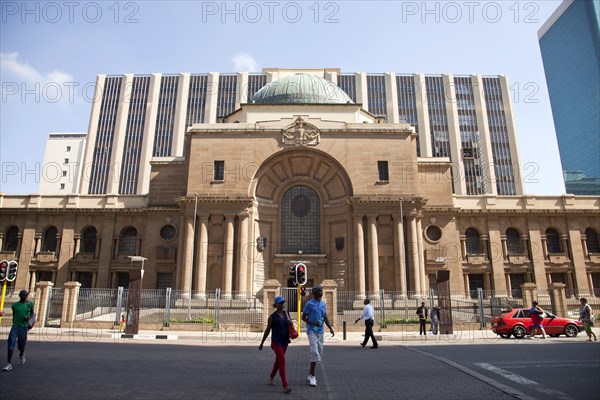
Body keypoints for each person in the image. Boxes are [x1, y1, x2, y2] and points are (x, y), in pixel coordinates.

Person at [259, 296, 293, 394]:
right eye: (280, 303)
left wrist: (291, 323)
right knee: (282, 362)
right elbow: (267, 330)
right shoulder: (272, 317)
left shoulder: (286, 314)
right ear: (276, 305)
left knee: (278, 362)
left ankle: (271, 378)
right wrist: (262, 343)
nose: (282, 304)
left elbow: (290, 325)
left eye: (283, 303)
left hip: (285, 341)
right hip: (276, 342)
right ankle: (285, 386)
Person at [302, 285, 334, 387]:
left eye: (322, 290)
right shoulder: (309, 304)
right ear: (315, 293)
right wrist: (312, 323)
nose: (322, 292)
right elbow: (303, 317)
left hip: (320, 331)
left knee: (319, 353)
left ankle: (310, 374)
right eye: (320, 290)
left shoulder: (323, 304)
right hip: (311, 330)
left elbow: (325, 316)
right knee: (314, 352)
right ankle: (312, 376)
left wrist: (330, 327)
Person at [3, 290, 34, 371]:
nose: (24, 296)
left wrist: (29, 318)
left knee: (21, 345)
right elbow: (14, 315)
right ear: (20, 296)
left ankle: (21, 354)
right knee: (11, 343)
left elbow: (32, 313)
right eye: (23, 295)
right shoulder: (15, 305)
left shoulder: (30, 304)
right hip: (15, 327)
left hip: (24, 328)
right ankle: (8, 364)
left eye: (26, 295)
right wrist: (14, 323)